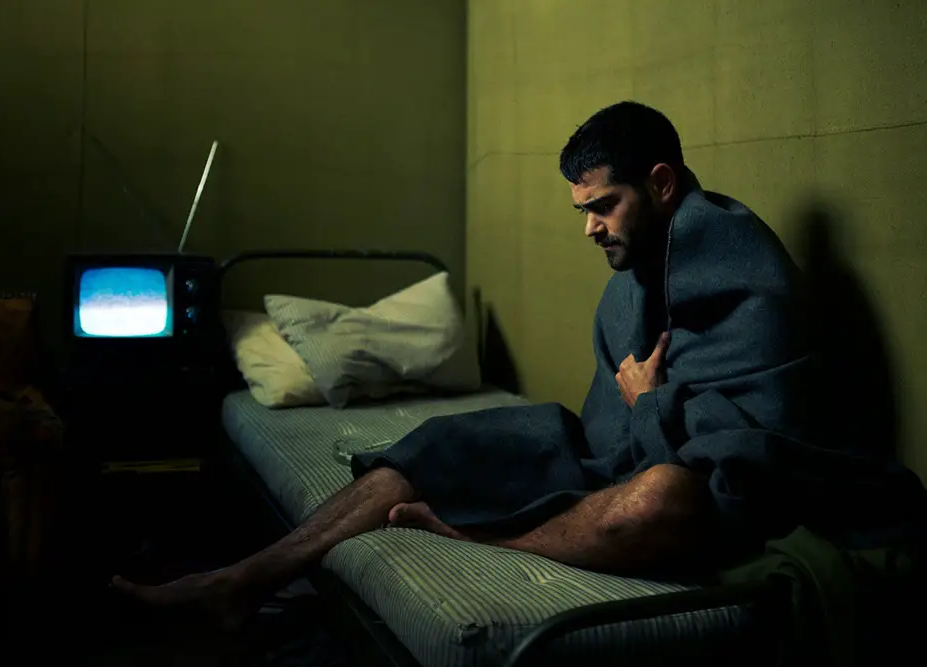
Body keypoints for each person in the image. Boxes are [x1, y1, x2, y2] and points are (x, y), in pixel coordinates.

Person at [111, 101, 925, 630]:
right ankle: (244, 577)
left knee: (660, 498)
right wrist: (638, 413)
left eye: (602, 206)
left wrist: (648, 403)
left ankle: (469, 533)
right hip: (617, 459)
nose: (589, 228)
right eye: (582, 210)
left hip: (698, 494)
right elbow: (604, 435)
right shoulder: (634, 282)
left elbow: (749, 469)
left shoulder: (751, 280)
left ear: (662, 183)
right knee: (440, 444)